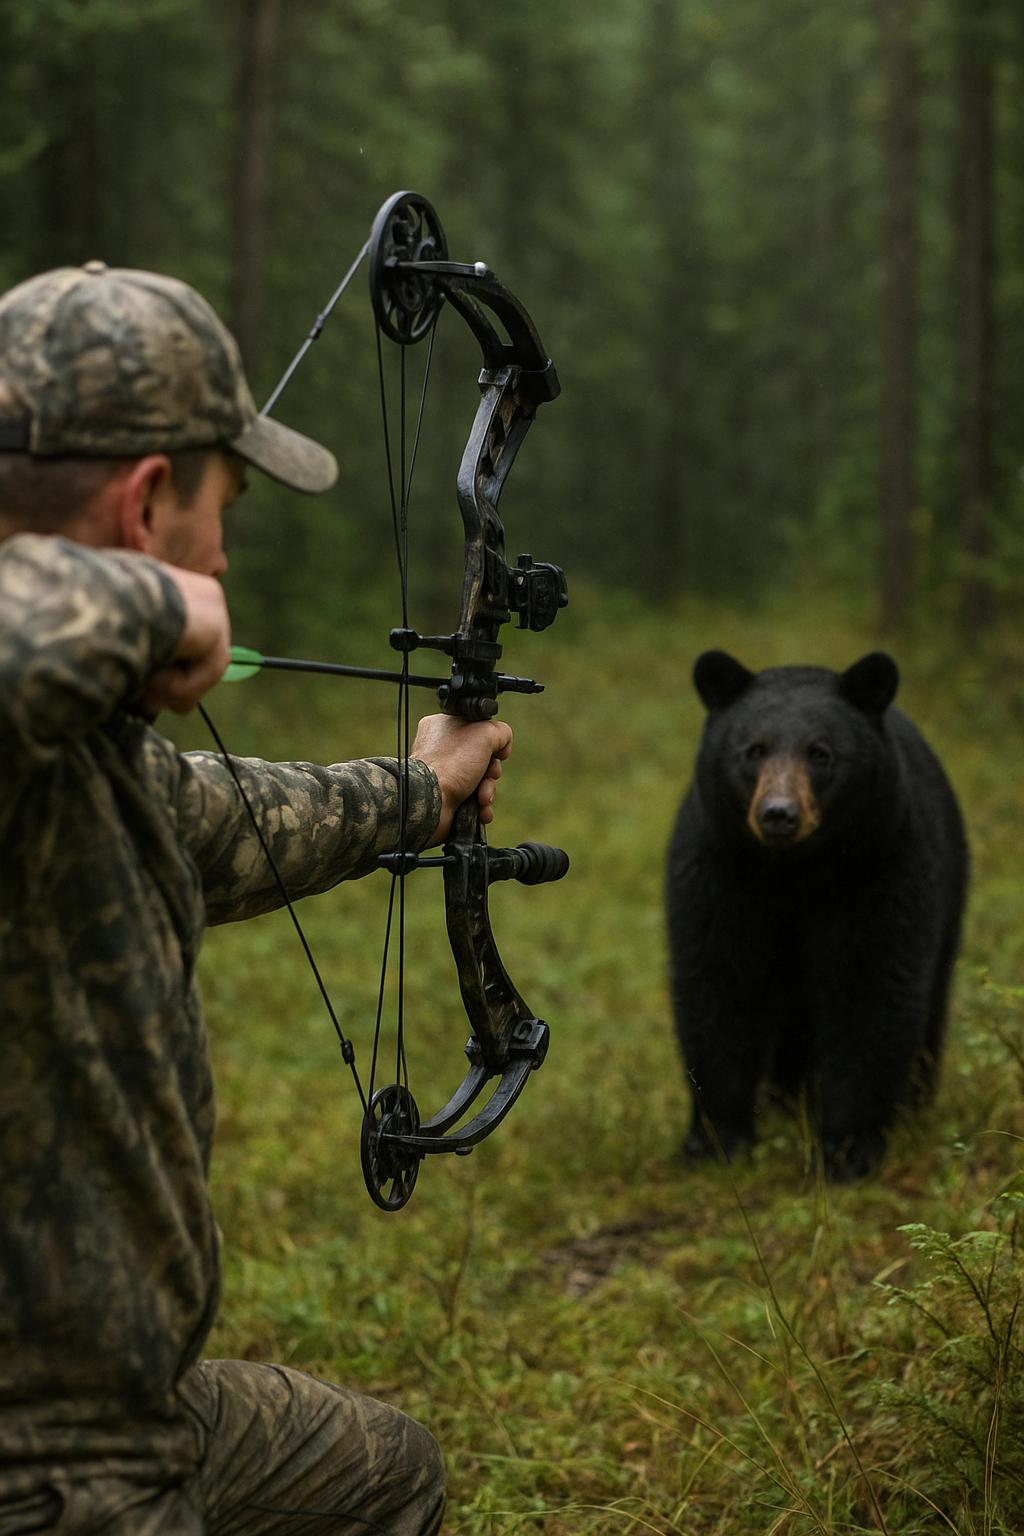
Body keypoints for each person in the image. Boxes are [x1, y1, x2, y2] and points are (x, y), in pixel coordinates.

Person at [0, 262, 513, 1535]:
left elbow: (222, 822)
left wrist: (421, 790)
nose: (225, 554)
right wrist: (160, 600)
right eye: (219, 511)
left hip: (127, 1411)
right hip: (49, 1469)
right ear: (149, 498)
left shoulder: (80, 754)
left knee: (380, 1471)